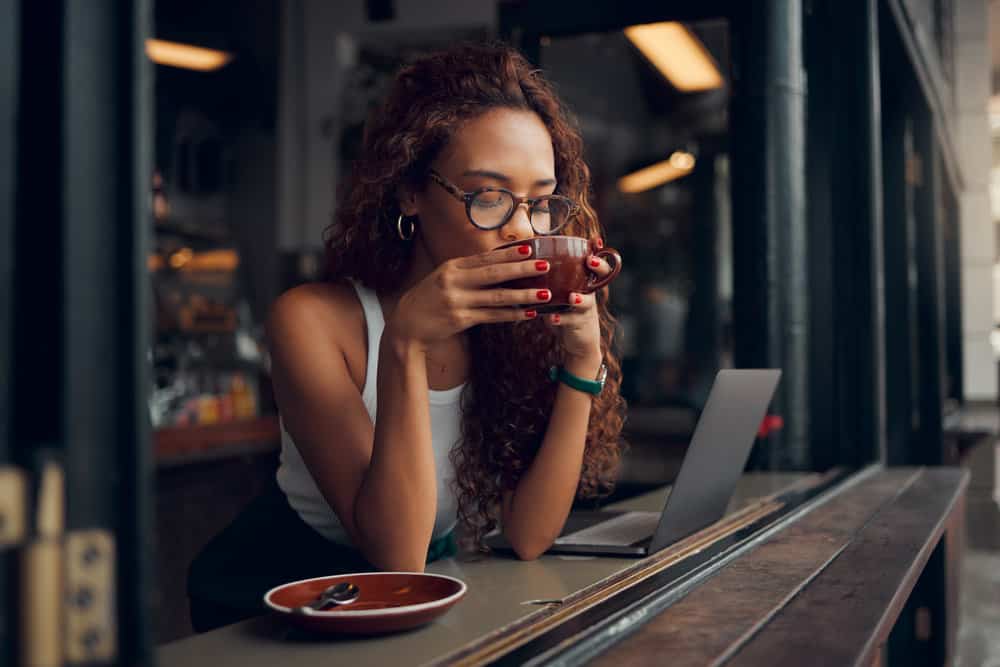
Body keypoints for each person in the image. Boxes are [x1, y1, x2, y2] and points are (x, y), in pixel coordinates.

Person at [187, 41, 625, 632]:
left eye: (542, 203)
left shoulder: (511, 332)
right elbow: (395, 556)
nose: (523, 229)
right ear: (409, 192)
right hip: (281, 605)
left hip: (419, 609)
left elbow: (528, 536)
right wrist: (405, 345)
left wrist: (583, 356)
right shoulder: (311, 320)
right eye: (489, 197)